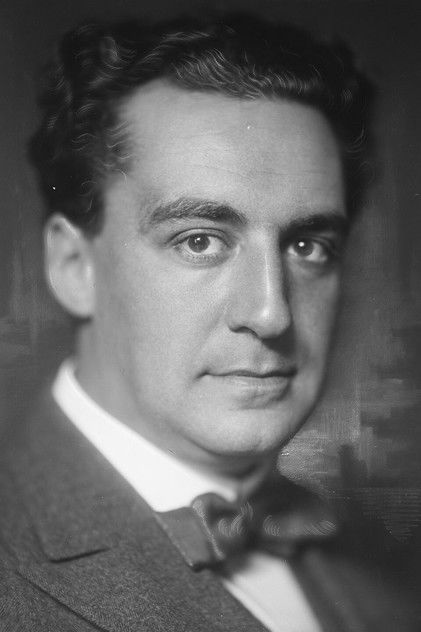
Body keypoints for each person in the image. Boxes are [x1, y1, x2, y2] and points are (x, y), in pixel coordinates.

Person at [0, 14, 418, 632]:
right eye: (199, 241)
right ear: (73, 267)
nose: (271, 313)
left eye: (308, 246)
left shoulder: (376, 575)